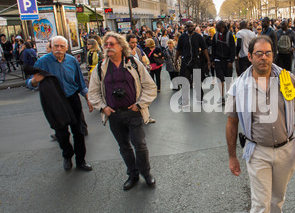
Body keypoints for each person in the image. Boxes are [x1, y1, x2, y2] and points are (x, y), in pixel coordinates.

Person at [225, 35, 295, 213]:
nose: (264, 58)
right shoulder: (239, 86)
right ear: (250, 56)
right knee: (260, 203)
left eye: (268, 53)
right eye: (259, 53)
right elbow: (231, 123)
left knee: (278, 195)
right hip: (257, 152)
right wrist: (232, 156)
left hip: (286, 149)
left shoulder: (287, 78)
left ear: (273, 54)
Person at [88, 32, 157, 190]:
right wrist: (103, 107)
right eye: (106, 45)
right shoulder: (100, 68)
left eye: (112, 44)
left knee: (140, 145)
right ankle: (132, 175)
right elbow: (92, 92)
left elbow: (150, 86)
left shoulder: (134, 64)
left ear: (121, 46)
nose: (108, 47)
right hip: (114, 114)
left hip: (134, 112)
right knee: (124, 146)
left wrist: (140, 105)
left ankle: (146, 174)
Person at [26, 36, 93, 171]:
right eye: (56, 46)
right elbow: (29, 83)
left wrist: (87, 97)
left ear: (66, 48)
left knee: (79, 132)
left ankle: (81, 161)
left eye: (62, 46)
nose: (59, 49)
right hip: (54, 102)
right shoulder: (42, 62)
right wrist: (34, 81)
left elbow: (80, 82)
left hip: (72, 99)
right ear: (51, 46)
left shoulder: (72, 61)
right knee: (62, 134)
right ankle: (67, 156)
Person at [174, 21, 211, 107]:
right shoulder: (182, 37)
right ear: (185, 27)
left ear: (194, 27)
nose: (190, 27)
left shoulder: (198, 37)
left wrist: (208, 60)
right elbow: (178, 49)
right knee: (185, 82)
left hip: (196, 61)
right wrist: (175, 60)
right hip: (185, 61)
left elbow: (204, 48)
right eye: (188, 26)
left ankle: (200, 98)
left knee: (197, 81)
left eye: (191, 26)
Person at [212, 21, 236, 103]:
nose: (216, 28)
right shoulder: (215, 36)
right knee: (220, 79)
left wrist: (231, 60)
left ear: (222, 27)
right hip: (218, 60)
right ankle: (221, 97)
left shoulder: (230, 36)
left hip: (227, 61)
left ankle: (228, 95)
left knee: (228, 79)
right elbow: (213, 49)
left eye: (218, 27)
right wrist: (213, 60)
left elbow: (233, 49)